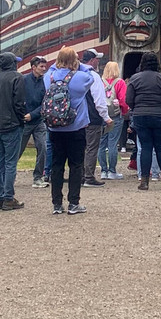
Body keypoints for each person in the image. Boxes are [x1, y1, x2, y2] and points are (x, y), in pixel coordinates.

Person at [43, 46, 97, 215]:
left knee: (57, 165)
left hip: (55, 127)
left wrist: (59, 61)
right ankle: (73, 202)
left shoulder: (49, 77)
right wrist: (78, 64)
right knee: (76, 165)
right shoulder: (81, 77)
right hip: (75, 126)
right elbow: (91, 74)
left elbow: (52, 67)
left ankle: (57, 204)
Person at [126, 52, 161, 190]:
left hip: (141, 115)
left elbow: (128, 99)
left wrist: (136, 108)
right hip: (160, 115)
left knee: (146, 147)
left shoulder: (135, 79)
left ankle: (144, 181)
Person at [0, 51, 27, 210]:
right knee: (10, 163)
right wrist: (22, 118)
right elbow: (19, 103)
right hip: (12, 124)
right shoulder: (17, 78)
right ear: (12, 63)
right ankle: (8, 197)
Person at [80, 49, 112, 187]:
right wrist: (106, 117)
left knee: (80, 148)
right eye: (97, 59)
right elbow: (99, 100)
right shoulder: (93, 76)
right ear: (92, 60)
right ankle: (89, 177)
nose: (98, 61)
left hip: (77, 118)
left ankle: (79, 175)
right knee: (92, 148)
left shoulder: (76, 74)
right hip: (92, 117)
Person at [19, 55, 50, 188]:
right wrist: (23, 114)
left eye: (45, 66)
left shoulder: (46, 81)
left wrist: (33, 114)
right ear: (33, 67)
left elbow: (46, 102)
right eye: (41, 66)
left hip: (38, 121)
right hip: (24, 121)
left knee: (42, 148)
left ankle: (38, 176)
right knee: (17, 150)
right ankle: (7, 175)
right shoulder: (23, 80)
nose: (44, 69)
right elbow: (17, 98)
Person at [100, 61, 128, 179]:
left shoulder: (100, 81)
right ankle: (112, 171)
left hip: (102, 115)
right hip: (116, 115)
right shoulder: (120, 82)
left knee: (101, 144)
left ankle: (103, 171)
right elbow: (123, 100)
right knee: (113, 143)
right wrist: (124, 112)